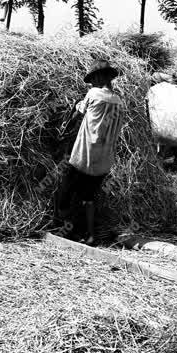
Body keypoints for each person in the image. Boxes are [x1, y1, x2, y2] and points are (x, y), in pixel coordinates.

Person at [55, 59, 125, 245]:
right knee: (89, 197)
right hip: (103, 159)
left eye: (93, 78)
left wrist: (77, 107)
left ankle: (62, 229)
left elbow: (79, 113)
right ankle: (91, 235)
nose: (91, 82)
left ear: (100, 77)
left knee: (66, 191)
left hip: (84, 155)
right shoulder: (118, 100)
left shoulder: (93, 93)